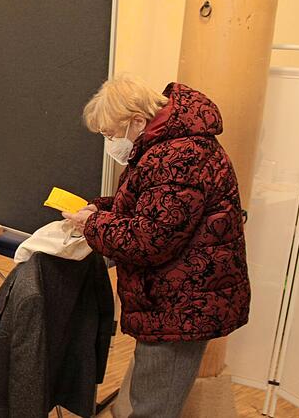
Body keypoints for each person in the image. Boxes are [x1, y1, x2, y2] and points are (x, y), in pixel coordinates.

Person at [62, 75, 250, 418]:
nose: (111, 143)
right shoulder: (168, 146)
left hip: (182, 303)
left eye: (111, 134)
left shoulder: (179, 155)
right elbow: (152, 206)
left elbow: (149, 240)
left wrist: (93, 224)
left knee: (154, 407)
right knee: (145, 393)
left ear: (136, 120)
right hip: (174, 297)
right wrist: (102, 209)